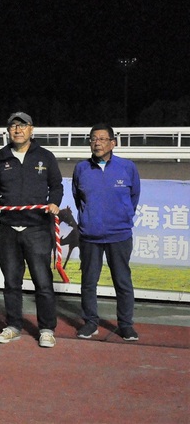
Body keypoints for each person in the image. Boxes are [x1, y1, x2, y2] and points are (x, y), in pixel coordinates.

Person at [0, 112, 62, 348]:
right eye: (13, 126)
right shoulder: (1, 158)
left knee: (43, 282)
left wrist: (54, 202)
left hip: (37, 228)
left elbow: (56, 186)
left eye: (22, 126)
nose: (18, 130)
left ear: (31, 129)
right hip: (9, 228)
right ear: (8, 131)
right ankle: (14, 326)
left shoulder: (45, 156)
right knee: (11, 282)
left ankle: (47, 329)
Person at [72, 123, 141, 341]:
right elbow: (78, 199)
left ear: (113, 143)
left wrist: (122, 217)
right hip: (90, 236)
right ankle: (90, 323)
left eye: (102, 139)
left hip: (119, 235)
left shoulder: (127, 167)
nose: (97, 143)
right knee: (88, 282)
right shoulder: (81, 169)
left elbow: (134, 197)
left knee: (122, 281)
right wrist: (89, 219)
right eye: (93, 139)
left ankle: (126, 324)